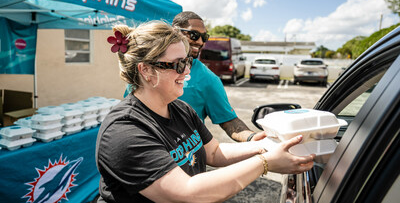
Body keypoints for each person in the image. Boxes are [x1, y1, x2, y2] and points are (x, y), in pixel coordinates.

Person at [96, 21, 315, 203]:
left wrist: (266, 145)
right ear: (146, 70)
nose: (187, 71)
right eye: (178, 64)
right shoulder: (124, 131)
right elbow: (188, 192)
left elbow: (213, 152)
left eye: (187, 62)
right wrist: (266, 162)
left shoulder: (180, 108)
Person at [124, 11, 265, 142]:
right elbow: (129, 106)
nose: (200, 42)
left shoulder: (208, 79)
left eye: (204, 37)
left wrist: (252, 138)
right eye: (194, 35)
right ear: (174, 32)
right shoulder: (147, 68)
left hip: (187, 158)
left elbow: (228, 121)